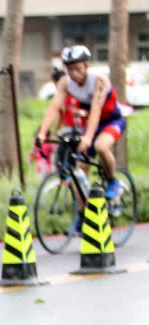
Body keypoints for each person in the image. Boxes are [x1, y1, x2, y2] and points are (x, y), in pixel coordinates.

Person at [36, 45, 126, 205]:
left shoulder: (99, 81)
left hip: (112, 121)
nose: (74, 73)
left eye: (78, 68)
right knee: (79, 171)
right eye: (70, 69)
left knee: (100, 146)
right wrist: (42, 133)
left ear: (86, 66)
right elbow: (54, 107)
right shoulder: (65, 83)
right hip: (91, 124)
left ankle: (113, 181)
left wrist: (88, 138)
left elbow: (96, 110)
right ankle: (81, 217)